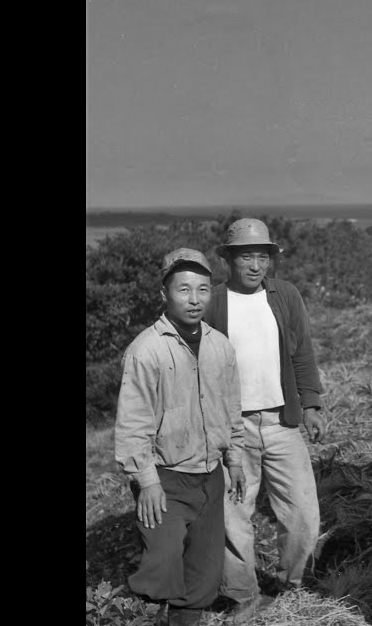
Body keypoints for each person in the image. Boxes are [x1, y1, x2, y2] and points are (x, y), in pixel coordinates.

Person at [114, 248, 247, 626]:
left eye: (202, 290)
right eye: (183, 289)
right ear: (164, 294)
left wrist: (234, 458)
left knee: (204, 570)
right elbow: (133, 423)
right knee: (162, 562)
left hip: (210, 475)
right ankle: (139, 616)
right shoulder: (146, 351)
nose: (194, 299)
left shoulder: (220, 346)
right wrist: (147, 482)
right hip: (165, 476)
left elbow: (231, 407)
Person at [203, 218, 326, 621]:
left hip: (281, 422)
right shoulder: (213, 302)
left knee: (302, 510)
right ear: (228, 260)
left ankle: (295, 584)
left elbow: (302, 352)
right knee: (234, 515)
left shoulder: (285, 295)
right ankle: (244, 595)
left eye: (262, 257)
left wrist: (310, 404)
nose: (255, 266)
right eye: (246, 257)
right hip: (233, 429)